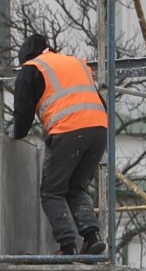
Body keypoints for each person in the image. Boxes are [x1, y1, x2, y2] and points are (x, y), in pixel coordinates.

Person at [10, 31, 108, 256]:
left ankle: (67, 246)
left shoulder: (31, 68)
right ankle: (92, 237)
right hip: (99, 128)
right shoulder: (74, 63)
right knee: (76, 187)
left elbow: (23, 114)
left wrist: (17, 135)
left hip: (68, 130)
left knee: (51, 192)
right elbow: (99, 100)